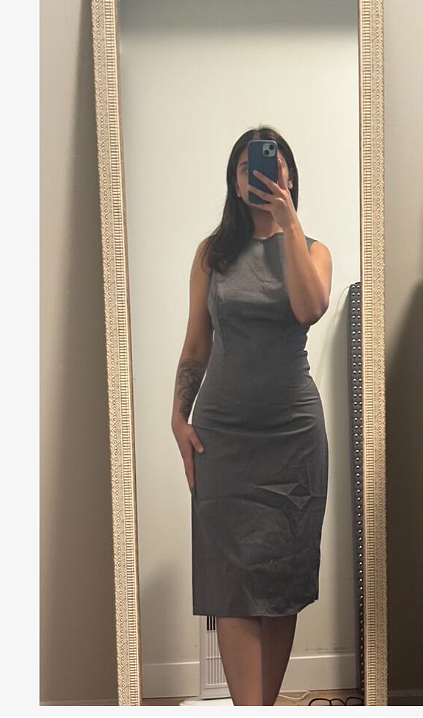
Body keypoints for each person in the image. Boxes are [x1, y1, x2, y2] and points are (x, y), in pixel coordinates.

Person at [170, 126, 333, 706]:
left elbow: (309, 308)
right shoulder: (211, 255)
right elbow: (197, 344)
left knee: (281, 583)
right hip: (223, 438)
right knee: (232, 585)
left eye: (272, 163)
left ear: (289, 175)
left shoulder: (313, 251)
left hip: (293, 438)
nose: (260, 173)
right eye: (247, 167)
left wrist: (287, 223)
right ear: (235, 183)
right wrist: (178, 418)